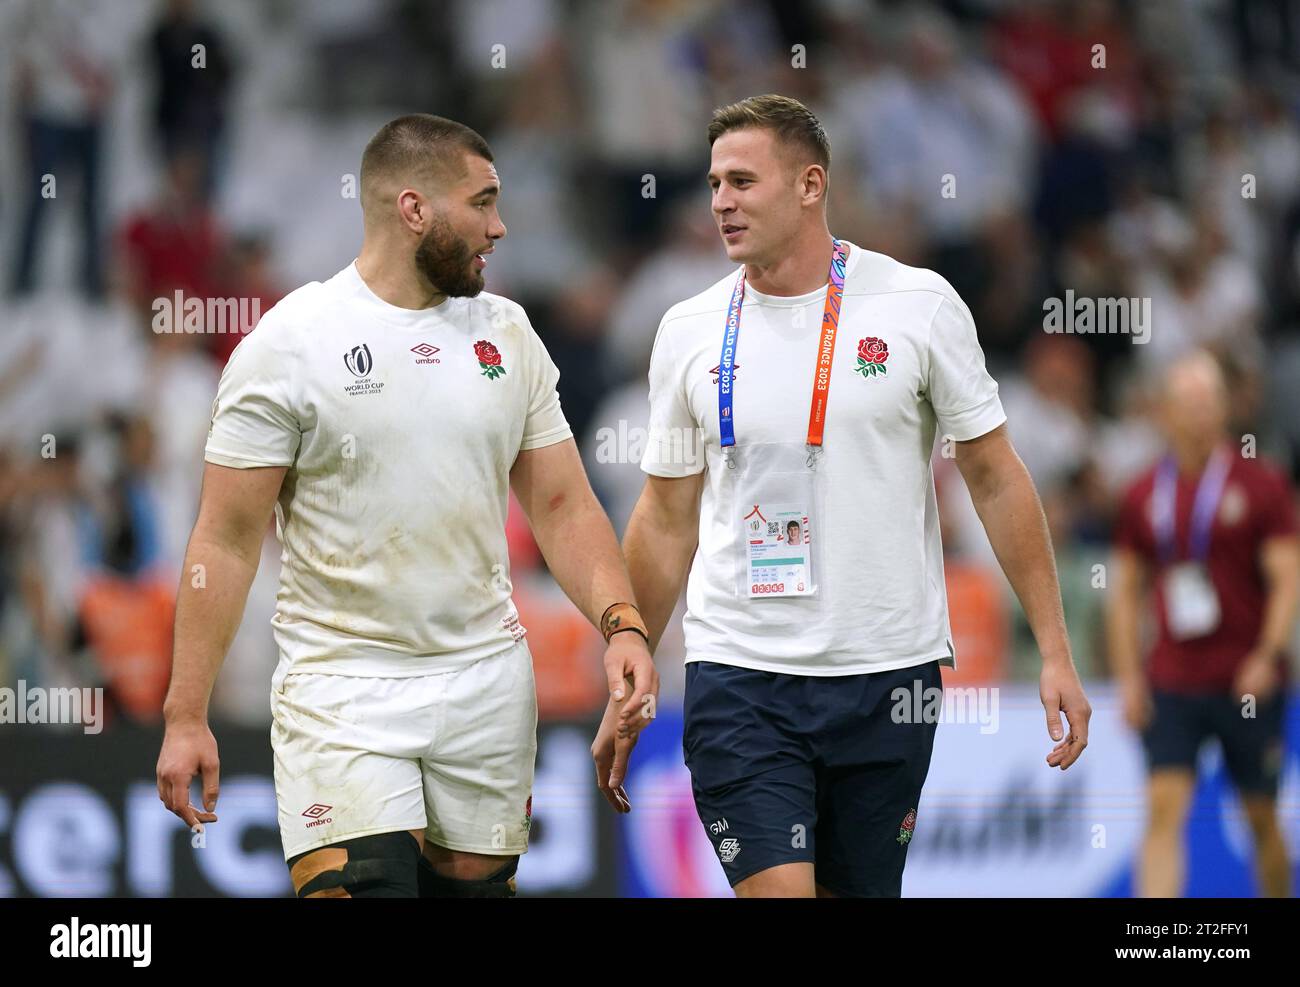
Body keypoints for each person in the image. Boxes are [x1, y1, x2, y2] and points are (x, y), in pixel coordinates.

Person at [598, 93, 1091, 898]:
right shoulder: (686, 328)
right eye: (714, 182)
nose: (720, 201)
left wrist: (1057, 649)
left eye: (743, 181)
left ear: (809, 184)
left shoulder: (918, 305)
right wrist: (627, 657)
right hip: (740, 673)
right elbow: (662, 517)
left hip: (889, 676)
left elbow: (996, 475)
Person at [156, 114, 657, 898]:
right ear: (414, 208)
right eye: (482, 203)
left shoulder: (508, 333)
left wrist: (620, 621)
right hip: (341, 686)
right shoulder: (290, 344)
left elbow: (561, 505)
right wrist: (187, 711)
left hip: (485, 684)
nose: (500, 227)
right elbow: (223, 540)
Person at [1109, 350, 1298, 898]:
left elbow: (1288, 577)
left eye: (1207, 400)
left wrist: (1267, 654)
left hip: (1248, 678)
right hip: (1174, 676)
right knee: (1164, 809)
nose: (1197, 412)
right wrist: (1129, 676)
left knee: (1260, 815)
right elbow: (1124, 593)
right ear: (1164, 411)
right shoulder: (1144, 494)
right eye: (1185, 402)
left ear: (1224, 409)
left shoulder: (1261, 486)